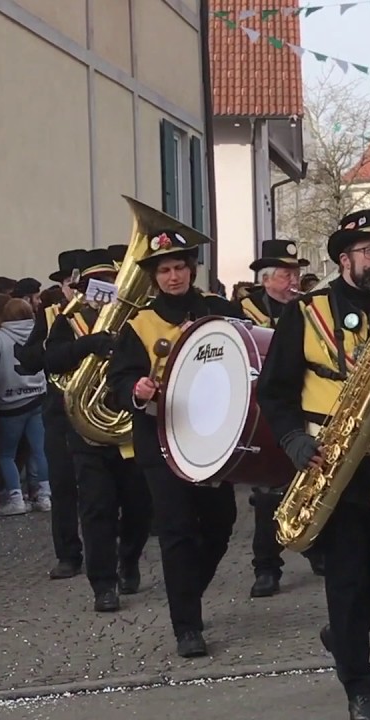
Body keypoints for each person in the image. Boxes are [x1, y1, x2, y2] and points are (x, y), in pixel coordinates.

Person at [257, 208, 370, 720]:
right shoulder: (307, 311)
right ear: (345, 258)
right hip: (331, 459)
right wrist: (293, 440)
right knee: (347, 577)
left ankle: (342, 633)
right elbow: (273, 390)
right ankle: (360, 687)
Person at [106, 219, 242, 658]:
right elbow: (120, 378)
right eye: (164, 270)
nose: (173, 276)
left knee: (221, 526)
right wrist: (136, 390)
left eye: (180, 267)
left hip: (216, 441)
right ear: (155, 277)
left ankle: (187, 591)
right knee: (177, 532)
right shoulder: (139, 324)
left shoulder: (218, 313)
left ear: (191, 270)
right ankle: (187, 626)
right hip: (161, 441)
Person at [42, 248, 152, 612]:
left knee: (139, 505)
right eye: (95, 283)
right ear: (87, 288)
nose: (102, 287)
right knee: (96, 507)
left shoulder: (135, 318)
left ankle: (130, 558)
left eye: (108, 281)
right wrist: (87, 345)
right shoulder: (69, 321)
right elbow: (48, 360)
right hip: (87, 430)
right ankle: (103, 585)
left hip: (129, 426)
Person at [238, 239, 326, 599]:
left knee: (311, 479)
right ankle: (266, 566)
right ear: (267, 278)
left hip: (302, 403)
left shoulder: (307, 310)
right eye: (287, 274)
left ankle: (315, 545)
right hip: (262, 407)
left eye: (297, 273)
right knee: (268, 492)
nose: (294, 280)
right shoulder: (243, 312)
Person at [16, 249, 87, 578]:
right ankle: (68, 554)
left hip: (99, 408)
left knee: (103, 485)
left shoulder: (108, 313)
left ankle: (112, 548)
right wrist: (50, 350)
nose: (75, 288)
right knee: (61, 484)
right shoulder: (49, 314)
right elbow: (28, 359)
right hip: (59, 408)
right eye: (70, 283)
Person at [0, 298, 51, 516]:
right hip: (37, 397)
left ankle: (15, 498)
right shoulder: (39, 335)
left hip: (9, 403)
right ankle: (45, 496)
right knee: (40, 449)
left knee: (6, 454)